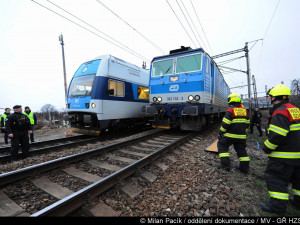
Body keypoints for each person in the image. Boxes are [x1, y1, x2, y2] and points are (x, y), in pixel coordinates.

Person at [259, 84, 300, 216]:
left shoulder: (280, 112)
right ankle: (298, 203)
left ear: (274, 97)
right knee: (298, 181)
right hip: (298, 155)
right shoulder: (295, 110)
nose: (270, 98)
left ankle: (277, 208)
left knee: (276, 179)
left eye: (271, 96)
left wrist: (266, 148)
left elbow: (277, 135)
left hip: (284, 157)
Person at [217, 93, 250, 174]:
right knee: (241, 151)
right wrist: (243, 133)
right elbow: (247, 124)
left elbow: (225, 124)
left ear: (231, 100)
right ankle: (244, 168)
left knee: (222, 146)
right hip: (241, 137)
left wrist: (220, 133)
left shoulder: (230, 110)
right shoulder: (245, 111)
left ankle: (225, 165)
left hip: (229, 136)